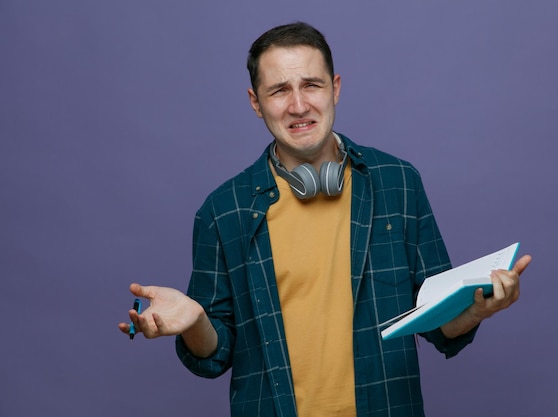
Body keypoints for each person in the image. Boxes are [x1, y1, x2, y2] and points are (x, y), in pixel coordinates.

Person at [118, 22, 532, 417]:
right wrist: (196, 320)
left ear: (334, 89)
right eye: (279, 90)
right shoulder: (222, 211)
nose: (299, 105)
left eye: (311, 85)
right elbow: (215, 354)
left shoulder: (398, 183)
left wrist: (477, 310)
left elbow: (440, 322)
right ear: (255, 102)